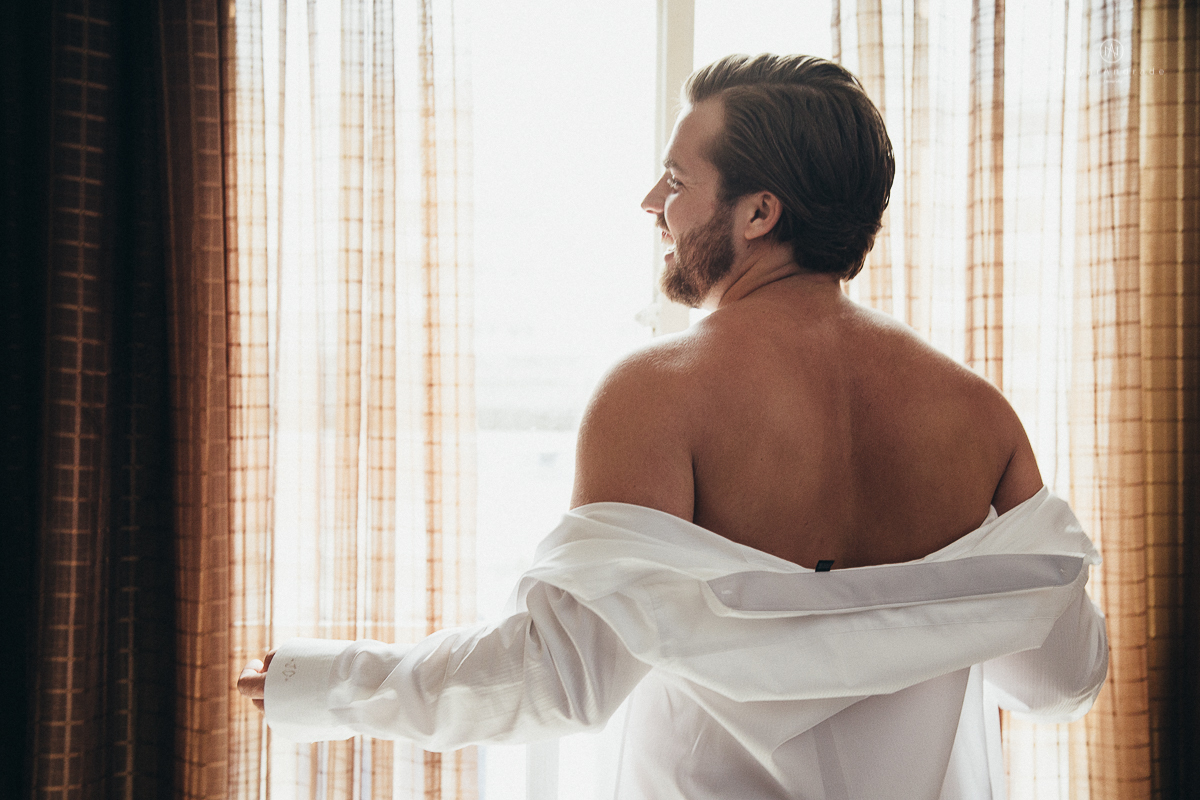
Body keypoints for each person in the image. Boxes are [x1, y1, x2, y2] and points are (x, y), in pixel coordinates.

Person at [238, 54, 1107, 799]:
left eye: (678, 182)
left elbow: (560, 680)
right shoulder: (979, 415)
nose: (652, 201)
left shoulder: (658, 395)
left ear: (759, 213)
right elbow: (1059, 681)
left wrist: (326, 683)